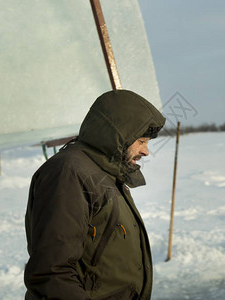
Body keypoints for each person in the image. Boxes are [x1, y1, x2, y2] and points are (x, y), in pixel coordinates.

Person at [24, 89, 166, 300]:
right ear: (119, 135)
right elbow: (52, 273)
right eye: (141, 141)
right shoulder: (70, 173)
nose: (146, 151)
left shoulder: (105, 171)